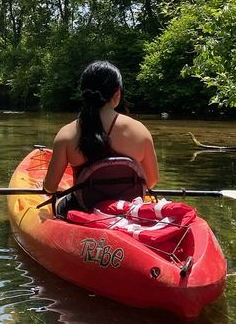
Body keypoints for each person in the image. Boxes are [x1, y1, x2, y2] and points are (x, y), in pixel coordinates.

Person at [42, 60, 159, 215]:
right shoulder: (140, 131)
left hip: (83, 210)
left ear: (84, 93)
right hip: (127, 211)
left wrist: (45, 184)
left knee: (59, 204)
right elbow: (151, 181)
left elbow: (50, 187)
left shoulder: (67, 134)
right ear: (117, 94)